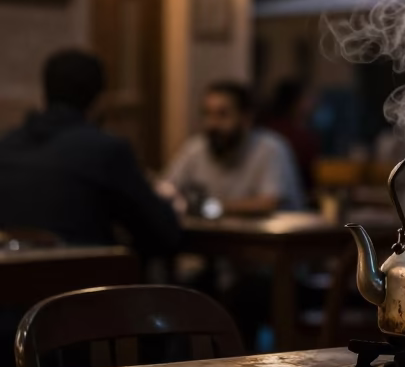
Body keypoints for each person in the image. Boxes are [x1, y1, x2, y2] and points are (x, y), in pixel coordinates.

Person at [0, 48, 179, 254]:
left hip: (12, 281)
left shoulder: (6, 144)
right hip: (82, 279)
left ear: (45, 94)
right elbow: (161, 232)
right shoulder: (105, 150)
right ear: (98, 100)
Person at [162, 81, 304, 215]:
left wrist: (209, 208)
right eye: (207, 114)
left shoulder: (272, 148)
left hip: (268, 240)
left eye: (222, 115)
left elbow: (270, 203)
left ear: (246, 118)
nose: (212, 124)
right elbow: (166, 190)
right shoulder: (195, 148)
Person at [263, 78, 320, 192]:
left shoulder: (305, 130)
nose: (315, 102)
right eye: (309, 98)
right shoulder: (277, 133)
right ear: (295, 101)